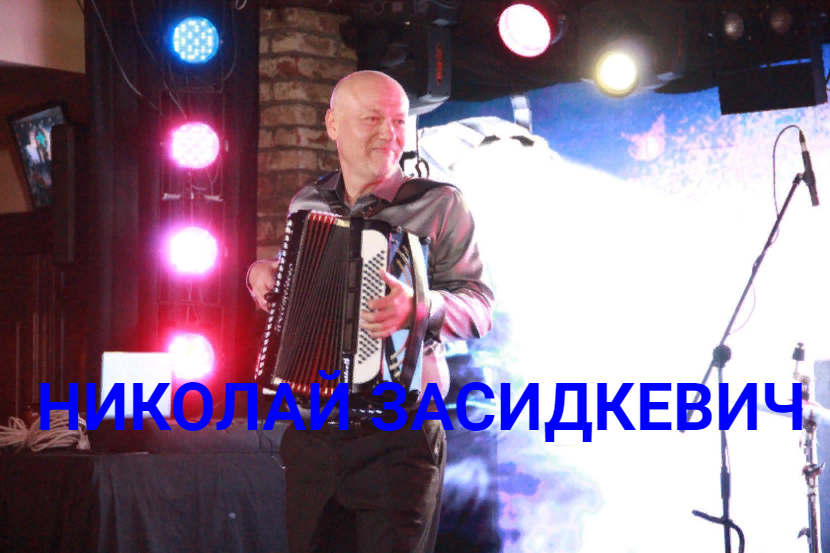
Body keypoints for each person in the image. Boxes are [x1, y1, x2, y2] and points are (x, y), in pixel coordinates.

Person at [246, 70, 494, 553]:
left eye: (399, 121)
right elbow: (298, 290)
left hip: (401, 434)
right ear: (333, 125)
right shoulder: (308, 202)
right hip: (314, 429)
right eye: (372, 119)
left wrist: (418, 307)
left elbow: (480, 307)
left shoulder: (438, 204)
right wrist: (261, 275)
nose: (389, 133)